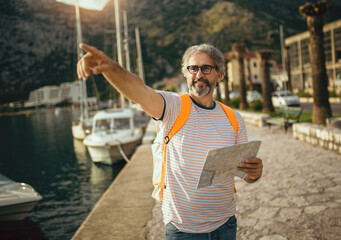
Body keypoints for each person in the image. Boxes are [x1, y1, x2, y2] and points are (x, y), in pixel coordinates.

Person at [77, 43, 263, 240]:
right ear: (185, 74)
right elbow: (140, 92)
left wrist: (254, 173)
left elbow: (246, 174)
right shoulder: (174, 107)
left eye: (206, 68)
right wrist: (111, 68)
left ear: (220, 75)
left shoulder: (234, 119)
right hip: (184, 230)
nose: (199, 74)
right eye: (193, 68)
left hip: (226, 225)